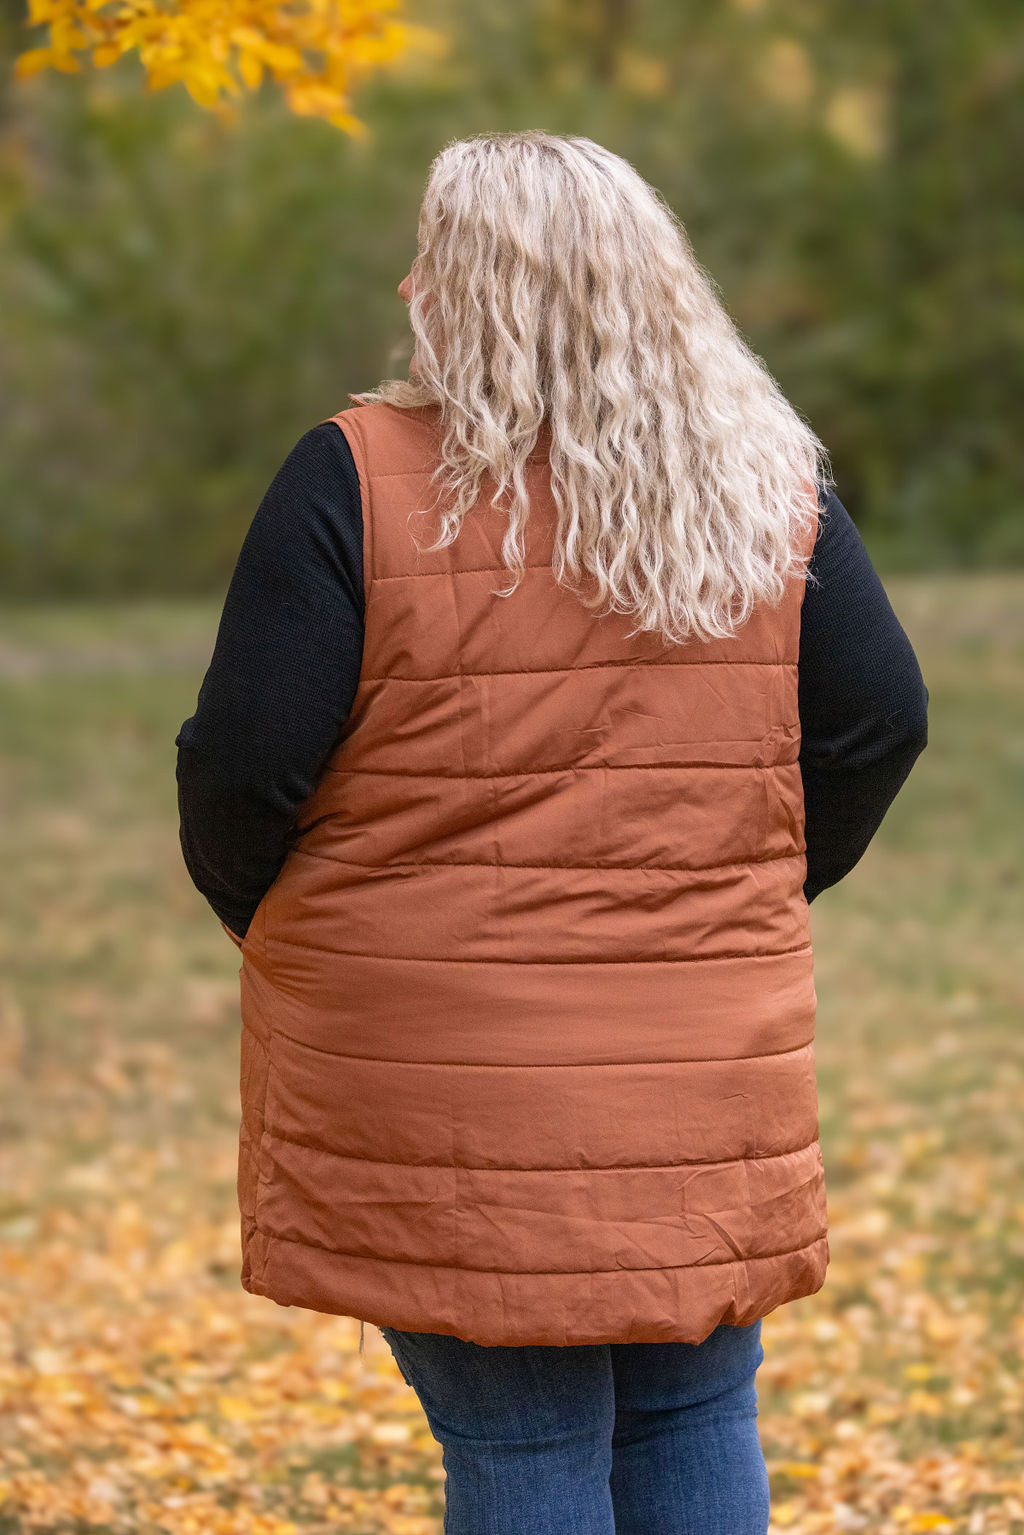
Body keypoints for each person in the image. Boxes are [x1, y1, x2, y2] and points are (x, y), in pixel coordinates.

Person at [175, 131, 928, 1535]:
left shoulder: (355, 477)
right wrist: (738, 886)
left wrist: (280, 919)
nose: (407, 286)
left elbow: (241, 771)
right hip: (699, 1049)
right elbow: (879, 723)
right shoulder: (767, 482)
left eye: (430, 260)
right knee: (694, 1409)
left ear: (471, 291)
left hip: (441, 1061)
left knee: (519, 1442)